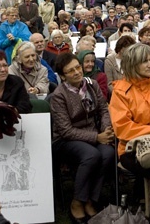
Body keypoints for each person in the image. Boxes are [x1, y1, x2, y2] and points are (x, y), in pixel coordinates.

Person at [109, 43, 150, 224]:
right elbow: (123, 129)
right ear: (132, 64)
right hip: (131, 149)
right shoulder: (121, 91)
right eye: (144, 62)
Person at [50, 53, 114, 223]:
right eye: (71, 71)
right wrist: (96, 137)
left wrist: (105, 131)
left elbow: (103, 109)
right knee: (91, 155)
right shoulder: (59, 95)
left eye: (78, 67)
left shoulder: (91, 85)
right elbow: (65, 130)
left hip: (94, 133)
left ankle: (91, 199)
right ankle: (77, 202)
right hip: (65, 141)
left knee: (107, 153)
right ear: (63, 76)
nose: (77, 72)